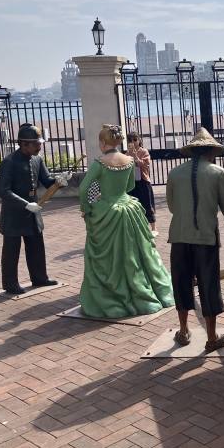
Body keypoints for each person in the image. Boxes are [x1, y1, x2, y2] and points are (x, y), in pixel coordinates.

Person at [167, 128, 224, 352]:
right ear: (211, 151)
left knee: (181, 284)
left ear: (191, 152)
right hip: (206, 239)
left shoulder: (174, 173)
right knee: (209, 285)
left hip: (179, 236)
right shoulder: (218, 173)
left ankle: (183, 330)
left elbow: (171, 206)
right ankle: (211, 337)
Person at [78, 124, 174, 318]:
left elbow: (84, 189)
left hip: (107, 211)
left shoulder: (99, 162)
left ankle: (113, 293)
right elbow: (130, 185)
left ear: (103, 142)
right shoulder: (129, 160)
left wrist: (88, 209)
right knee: (138, 251)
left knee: (108, 255)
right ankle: (145, 291)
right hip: (129, 207)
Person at [0, 123, 69, 294]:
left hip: (33, 211)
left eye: (40, 143)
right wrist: (26, 204)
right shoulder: (9, 162)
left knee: (36, 246)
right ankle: (10, 283)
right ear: (23, 144)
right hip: (14, 213)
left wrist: (60, 181)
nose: (40, 146)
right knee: (11, 251)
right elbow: (2, 190)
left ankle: (39, 278)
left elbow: (47, 180)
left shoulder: (37, 159)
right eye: (36, 143)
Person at [126, 131, 157, 236]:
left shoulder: (144, 151)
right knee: (134, 205)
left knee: (147, 204)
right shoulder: (127, 153)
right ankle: (137, 228)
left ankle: (153, 227)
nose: (133, 142)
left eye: (135, 139)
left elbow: (146, 165)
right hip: (132, 182)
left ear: (139, 140)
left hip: (143, 181)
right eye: (130, 140)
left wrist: (135, 157)